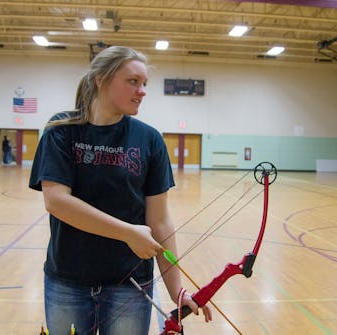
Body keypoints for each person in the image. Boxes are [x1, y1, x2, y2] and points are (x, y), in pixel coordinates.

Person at [29, 46, 211, 335]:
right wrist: (128, 232)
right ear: (101, 79)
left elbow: (160, 221)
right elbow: (57, 202)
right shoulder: (61, 130)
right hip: (67, 281)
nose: (142, 91)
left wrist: (177, 291)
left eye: (144, 84)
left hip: (130, 285)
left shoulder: (149, 140)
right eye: (133, 81)